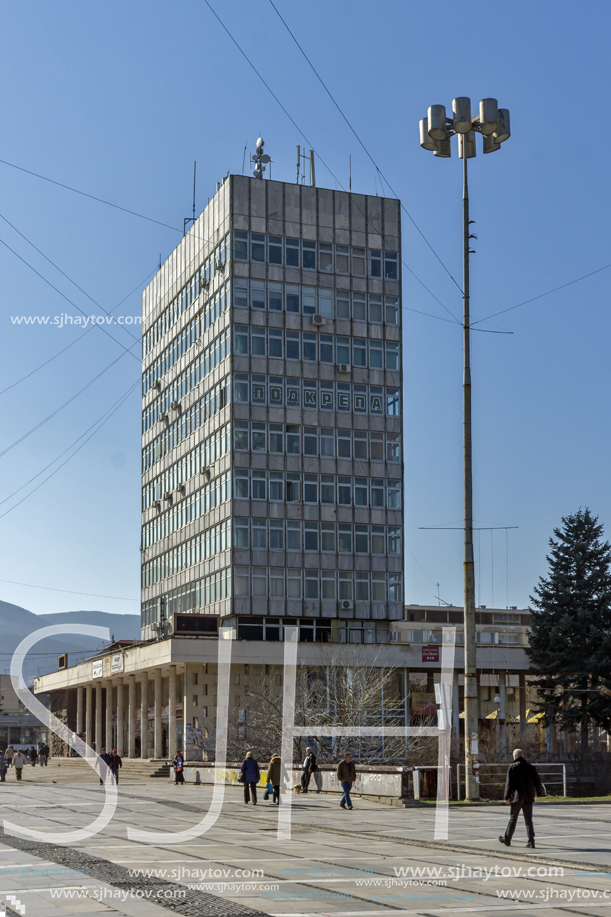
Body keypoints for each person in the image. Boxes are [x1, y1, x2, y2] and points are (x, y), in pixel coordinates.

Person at [499, 748, 544, 849]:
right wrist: (539, 792)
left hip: (517, 797)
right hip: (528, 796)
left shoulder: (512, 767)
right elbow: (537, 781)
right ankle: (531, 841)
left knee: (513, 818)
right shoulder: (530, 767)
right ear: (522, 756)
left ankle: (507, 839)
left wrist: (506, 797)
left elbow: (509, 784)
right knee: (528, 820)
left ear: (514, 757)